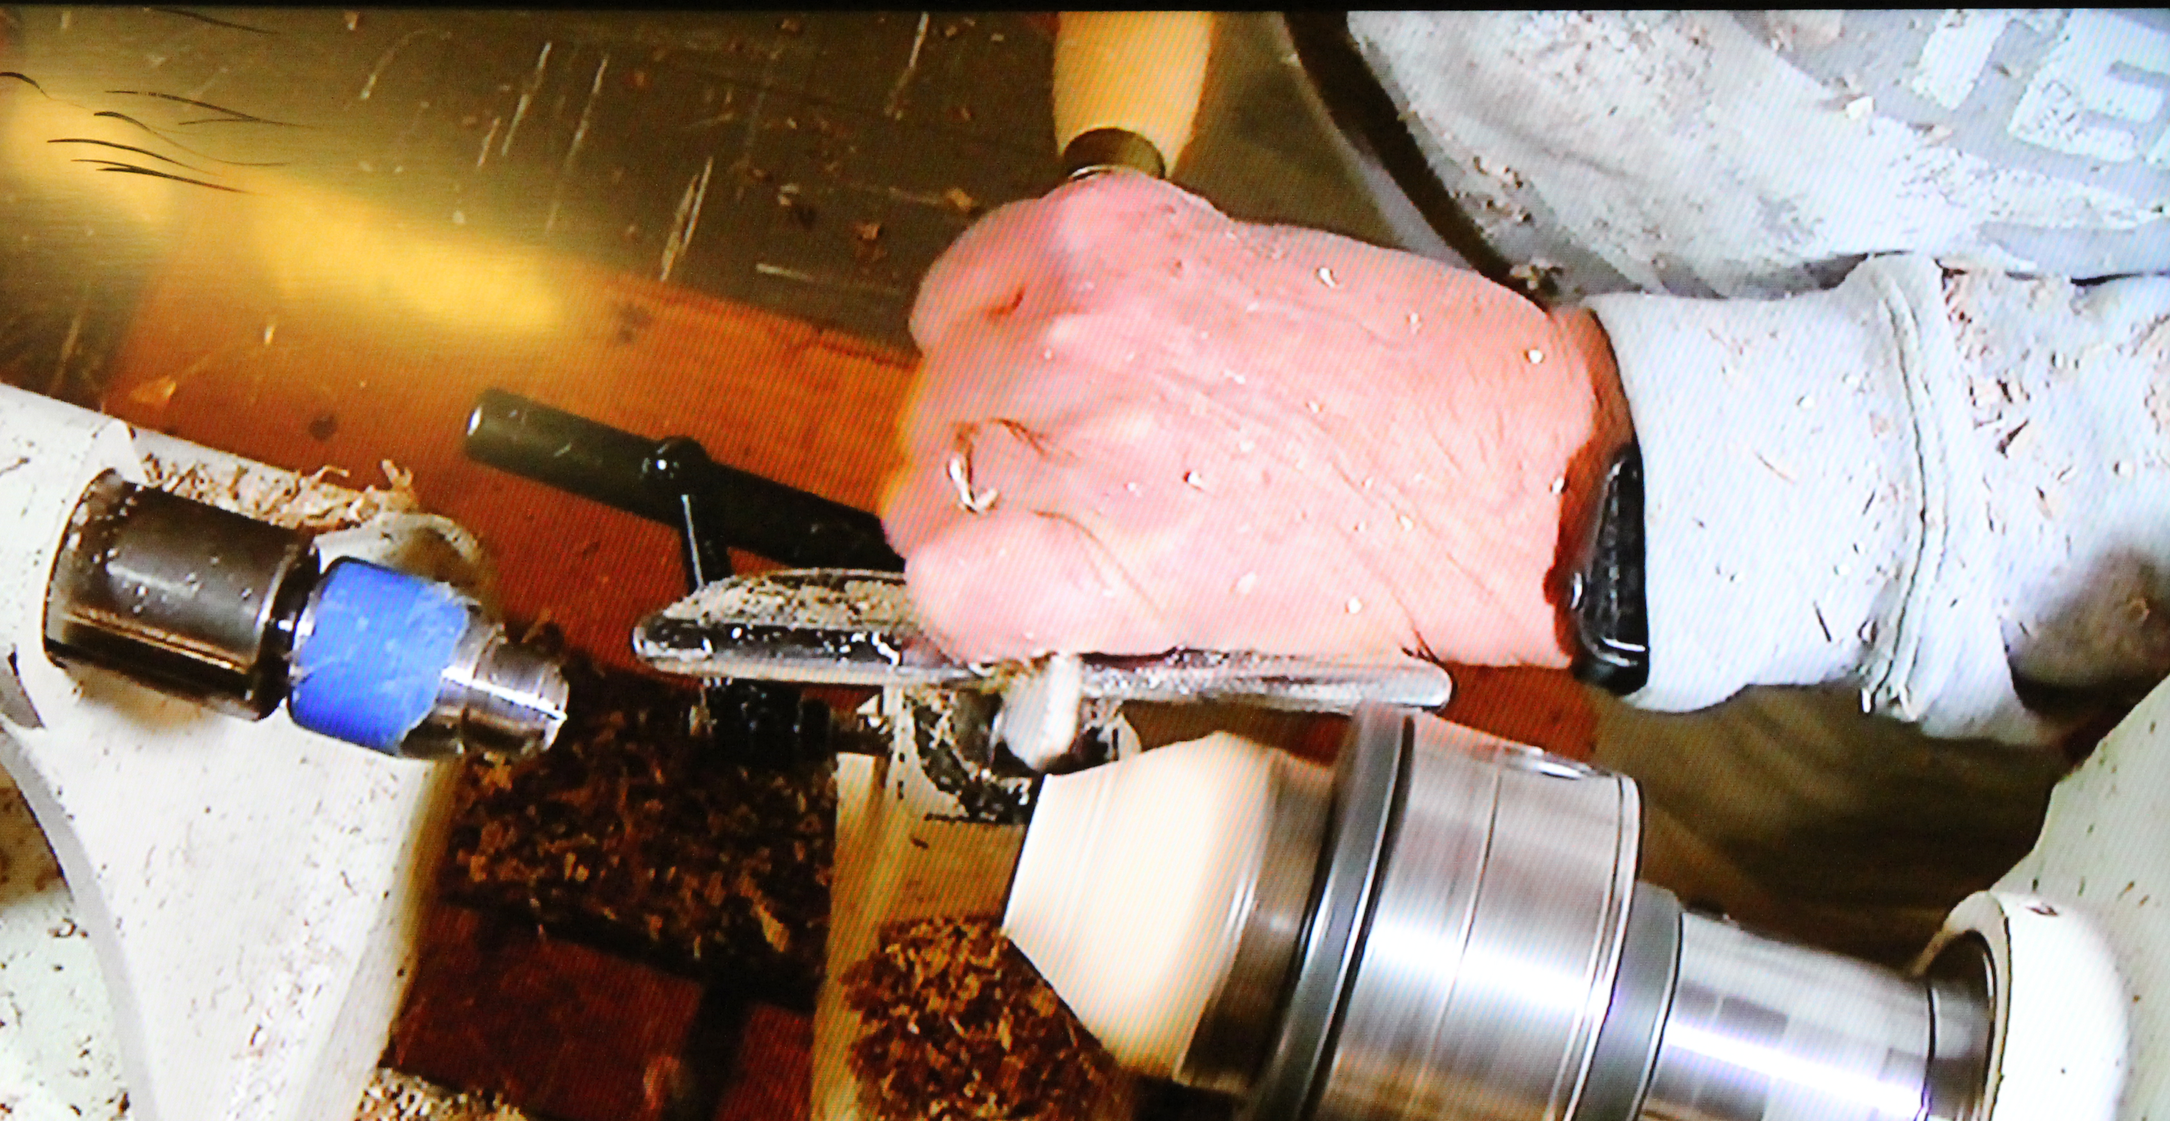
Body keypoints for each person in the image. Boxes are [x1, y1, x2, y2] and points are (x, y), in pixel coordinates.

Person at [880, 11, 2170, 960]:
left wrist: (1531, 463)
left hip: (1926, 531)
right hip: (1359, 119)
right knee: (1125, 687)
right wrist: (1122, 187)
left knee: (1718, 942)